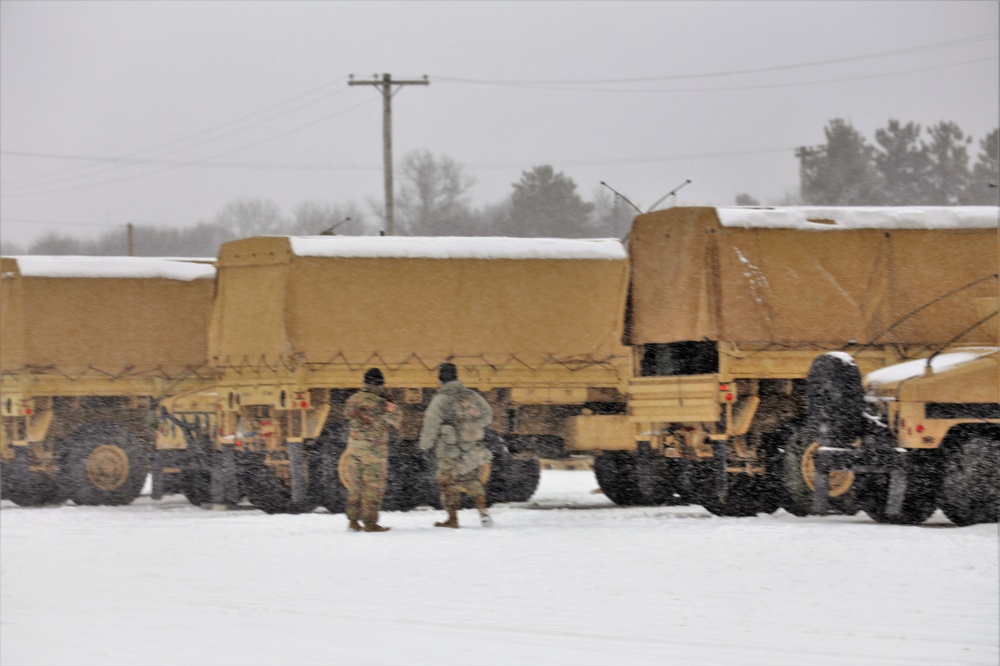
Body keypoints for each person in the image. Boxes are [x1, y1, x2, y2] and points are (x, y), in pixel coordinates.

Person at [419, 362, 495, 528]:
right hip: (471, 447)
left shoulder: (440, 399)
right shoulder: (471, 395)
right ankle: (483, 512)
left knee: (447, 482)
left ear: (440, 379)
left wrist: (425, 446)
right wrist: (472, 428)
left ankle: (452, 519)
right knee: (471, 479)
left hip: (449, 449)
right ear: (457, 377)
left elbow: (431, 424)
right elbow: (488, 414)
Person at [341, 368, 401, 533]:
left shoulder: (353, 399)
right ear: (380, 384)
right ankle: (370, 523)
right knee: (373, 487)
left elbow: (347, 414)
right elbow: (396, 420)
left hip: (354, 449)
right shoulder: (382, 403)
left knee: (356, 486)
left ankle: (353, 521)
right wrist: (391, 403)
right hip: (373, 452)